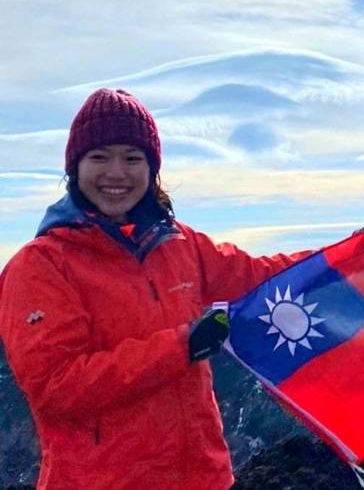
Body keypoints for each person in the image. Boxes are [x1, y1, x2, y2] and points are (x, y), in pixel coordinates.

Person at [0, 88, 313, 489]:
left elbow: (259, 274)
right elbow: (57, 386)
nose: (117, 173)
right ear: (74, 168)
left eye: (133, 158)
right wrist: (181, 347)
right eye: (99, 157)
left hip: (204, 478)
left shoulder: (180, 244)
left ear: (152, 169)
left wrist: (352, 254)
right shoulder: (41, 265)